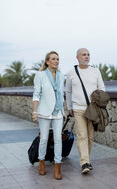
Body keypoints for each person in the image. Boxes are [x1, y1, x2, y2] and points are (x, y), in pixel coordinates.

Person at [65, 48, 105, 174]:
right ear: (77, 57)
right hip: (78, 109)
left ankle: (87, 159)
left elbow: (101, 87)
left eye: (88, 54)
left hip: (92, 110)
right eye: (84, 55)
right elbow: (68, 91)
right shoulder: (71, 73)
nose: (87, 57)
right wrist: (69, 107)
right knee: (82, 135)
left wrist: (98, 99)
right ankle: (84, 163)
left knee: (91, 137)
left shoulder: (95, 71)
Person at [32, 51, 64, 180]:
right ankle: (41, 163)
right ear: (47, 61)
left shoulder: (61, 76)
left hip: (58, 112)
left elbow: (61, 94)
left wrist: (63, 111)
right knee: (44, 139)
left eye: (57, 59)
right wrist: (35, 111)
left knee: (58, 139)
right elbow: (36, 93)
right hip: (44, 111)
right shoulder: (40, 75)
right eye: (53, 59)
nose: (56, 61)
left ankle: (57, 166)